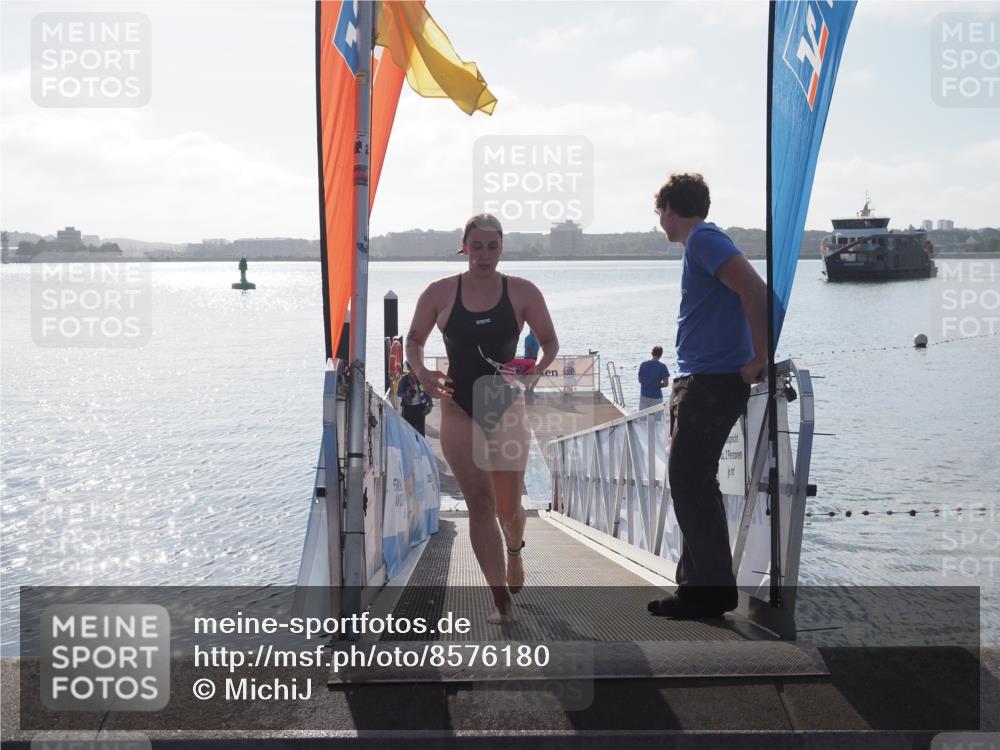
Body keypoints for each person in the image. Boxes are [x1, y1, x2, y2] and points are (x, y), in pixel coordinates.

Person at [405, 213, 559, 624]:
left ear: (501, 248)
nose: (484, 255)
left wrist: (535, 371)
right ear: (465, 246)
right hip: (458, 406)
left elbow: (549, 341)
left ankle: (514, 553)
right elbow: (414, 340)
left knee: (509, 509)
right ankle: (500, 602)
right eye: (477, 246)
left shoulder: (523, 291)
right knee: (480, 502)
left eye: (492, 247)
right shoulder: (440, 292)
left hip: (504, 405)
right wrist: (421, 372)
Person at [647, 173, 768, 620]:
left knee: (688, 480)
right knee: (694, 482)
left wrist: (760, 356)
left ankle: (709, 592)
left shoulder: (703, 239)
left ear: (669, 209)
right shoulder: (703, 242)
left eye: (659, 212)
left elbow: (754, 289)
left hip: (713, 381)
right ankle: (699, 587)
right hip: (701, 379)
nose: (660, 221)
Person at [396, 363, 429, 436]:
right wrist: (406, 393)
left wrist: (427, 400)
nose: (414, 370)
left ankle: (421, 446)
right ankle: (410, 446)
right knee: (409, 431)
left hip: (420, 407)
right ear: (409, 369)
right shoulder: (404, 379)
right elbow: (399, 393)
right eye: (412, 368)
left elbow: (423, 390)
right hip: (408, 408)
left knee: (421, 431)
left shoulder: (419, 379)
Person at [637, 346, 670, 410]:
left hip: (644, 395)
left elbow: (640, 380)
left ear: (652, 353)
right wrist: (657, 385)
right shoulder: (662, 366)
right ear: (661, 354)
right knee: (657, 418)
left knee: (642, 418)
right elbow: (666, 384)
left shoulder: (643, 364)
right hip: (656, 397)